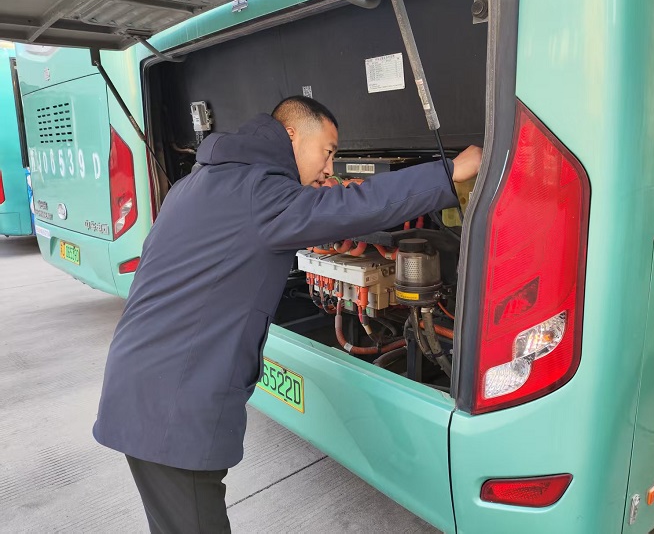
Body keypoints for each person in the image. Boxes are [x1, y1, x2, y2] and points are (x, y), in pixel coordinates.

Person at [93, 96, 481, 533]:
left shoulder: (199, 182)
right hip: (172, 410)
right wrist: (450, 172)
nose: (329, 168)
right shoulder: (261, 195)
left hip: (145, 384)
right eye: (327, 152)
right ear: (292, 134)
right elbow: (353, 206)